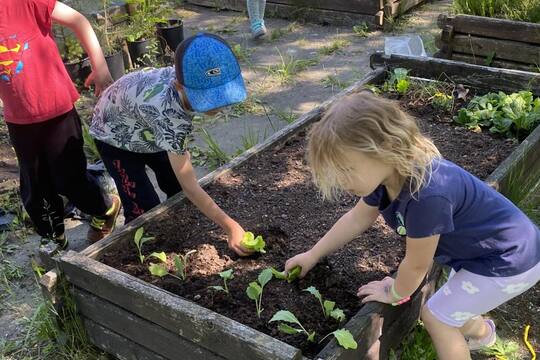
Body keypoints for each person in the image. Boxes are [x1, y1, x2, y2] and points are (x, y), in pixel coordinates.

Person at [284, 91, 540, 359]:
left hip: (510, 259)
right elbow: (356, 219)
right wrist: (312, 254)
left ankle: (475, 336)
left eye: (346, 170)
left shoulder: (427, 195)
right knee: (454, 305)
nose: (341, 181)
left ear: (384, 149)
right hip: (485, 254)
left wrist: (394, 292)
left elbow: (417, 265)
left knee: (437, 317)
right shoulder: (386, 177)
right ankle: (484, 334)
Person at [90, 33, 250, 256]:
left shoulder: (181, 80)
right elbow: (191, 186)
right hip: (114, 136)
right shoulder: (169, 116)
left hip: (146, 128)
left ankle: (177, 230)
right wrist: (230, 226)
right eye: (208, 96)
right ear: (179, 86)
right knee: (144, 209)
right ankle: (139, 255)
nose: (219, 104)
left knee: (175, 188)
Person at [0, 0, 121, 249]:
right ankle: (54, 241)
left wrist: (99, 66)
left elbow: (79, 20)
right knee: (35, 188)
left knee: (69, 179)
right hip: (18, 120)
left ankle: (105, 208)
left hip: (57, 111)